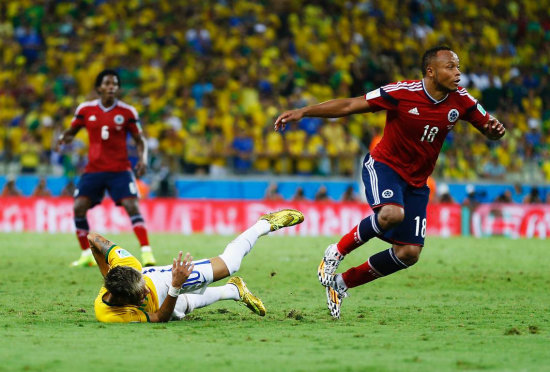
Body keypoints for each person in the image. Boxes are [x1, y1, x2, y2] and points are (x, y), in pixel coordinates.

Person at [274, 46, 506, 319]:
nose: (458, 73)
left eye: (458, 67)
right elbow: (350, 105)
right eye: (451, 67)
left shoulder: (462, 101)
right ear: (431, 71)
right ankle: (335, 251)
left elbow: (489, 127)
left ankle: (341, 283)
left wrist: (494, 131)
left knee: (409, 253)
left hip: (417, 182)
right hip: (384, 166)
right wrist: (305, 111)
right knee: (392, 214)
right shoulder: (401, 93)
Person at [88, 209, 304, 323]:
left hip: (161, 282)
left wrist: (173, 284)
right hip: (162, 300)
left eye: (142, 287)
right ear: (122, 299)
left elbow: (92, 237)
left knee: (229, 264)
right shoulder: (110, 316)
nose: (144, 292)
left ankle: (263, 224)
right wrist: (176, 288)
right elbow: (159, 318)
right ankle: (234, 290)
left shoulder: (129, 265)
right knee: (184, 306)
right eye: (140, 295)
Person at [56, 69, 157, 267]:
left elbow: (140, 140)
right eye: (108, 83)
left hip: (120, 169)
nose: (112, 87)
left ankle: (147, 253)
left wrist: (143, 159)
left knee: (132, 206)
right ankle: (86, 254)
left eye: (115, 84)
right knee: (78, 207)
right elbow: (72, 131)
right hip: (93, 170)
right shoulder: (86, 109)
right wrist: (62, 138)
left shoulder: (127, 112)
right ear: (99, 87)